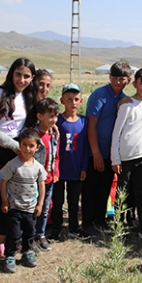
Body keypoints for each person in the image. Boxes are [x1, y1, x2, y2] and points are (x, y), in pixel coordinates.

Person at [0, 58, 37, 259]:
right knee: (1, 197)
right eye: (18, 74)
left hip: (19, 154)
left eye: (26, 76)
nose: (21, 80)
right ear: (11, 74)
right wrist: (15, 146)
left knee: (12, 201)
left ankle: (2, 242)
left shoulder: (31, 98)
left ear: (32, 78)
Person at [82, 61, 133, 236]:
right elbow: (91, 126)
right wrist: (96, 153)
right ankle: (87, 223)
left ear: (128, 80)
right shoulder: (99, 95)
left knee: (104, 188)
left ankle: (99, 220)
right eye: (115, 78)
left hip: (111, 154)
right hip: (95, 152)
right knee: (90, 189)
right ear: (110, 77)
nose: (118, 82)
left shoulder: (124, 99)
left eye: (122, 79)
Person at [110, 68, 142, 242]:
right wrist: (115, 158)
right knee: (122, 193)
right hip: (125, 159)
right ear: (134, 83)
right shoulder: (127, 105)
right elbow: (116, 133)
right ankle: (118, 227)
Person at [0, 129, 46, 273]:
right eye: (24, 145)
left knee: (29, 232)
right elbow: (3, 183)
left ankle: (27, 252)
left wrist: (40, 204)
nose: (27, 149)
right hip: (15, 207)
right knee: (14, 233)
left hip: (30, 208)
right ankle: (10, 256)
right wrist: (5, 201)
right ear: (19, 145)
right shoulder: (12, 165)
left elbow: (41, 186)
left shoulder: (38, 167)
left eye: (31, 146)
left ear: (37, 147)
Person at [53, 83, 90, 240]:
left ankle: (73, 228)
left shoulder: (84, 122)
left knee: (74, 202)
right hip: (60, 170)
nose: (73, 103)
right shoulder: (57, 122)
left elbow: (85, 147)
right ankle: (56, 229)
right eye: (69, 99)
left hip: (76, 169)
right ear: (62, 101)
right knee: (58, 201)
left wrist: (84, 167)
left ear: (81, 101)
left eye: (76, 99)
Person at [25, 98, 59, 249]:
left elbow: (56, 155)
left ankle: (41, 234)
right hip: (34, 181)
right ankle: (29, 237)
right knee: (33, 209)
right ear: (39, 116)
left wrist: (56, 171)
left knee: (45, 208)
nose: (54, 120)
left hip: (49, 179)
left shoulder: (54, 135)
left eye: (55, 116)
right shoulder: (33, 136)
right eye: (50, 116)